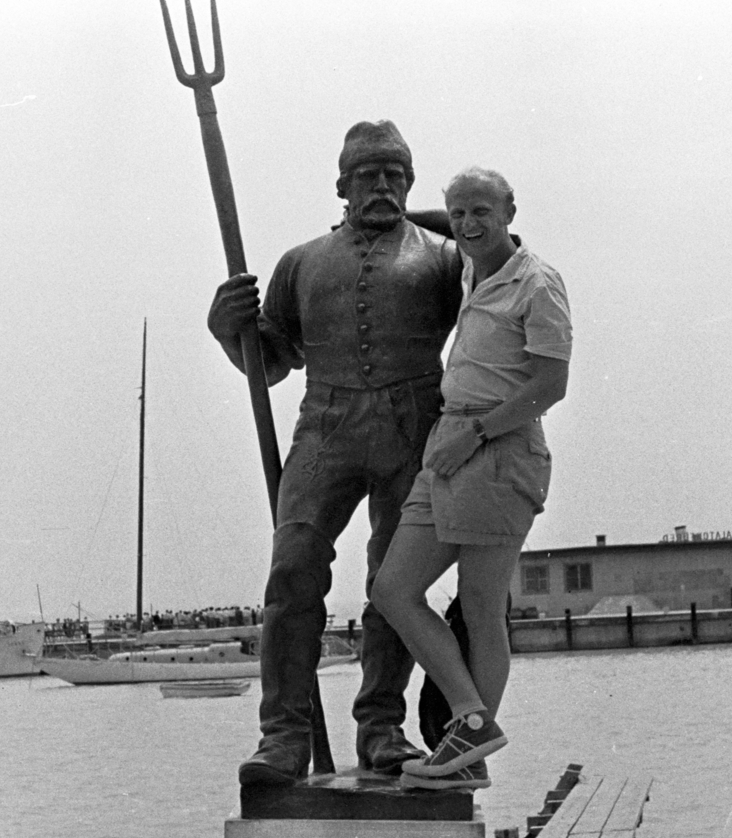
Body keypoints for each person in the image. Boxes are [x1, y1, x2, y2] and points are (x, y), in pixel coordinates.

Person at [207, 120, 463, 785]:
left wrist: (428, 217)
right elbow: (272, 365)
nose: (382, 184)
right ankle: (284, 735)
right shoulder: (301, 263)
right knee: (292, 570)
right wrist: (229, 331)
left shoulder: (442, 256)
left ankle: (381, 727)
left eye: (396, 174)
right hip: (326, 425)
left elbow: (503, 252)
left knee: (394, 581)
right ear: (341, 183)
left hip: (416, 426)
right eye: (368, 173)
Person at [371, 167, 571, 790]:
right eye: (458, 213)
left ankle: (468, 750)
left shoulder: (537, 284)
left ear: (512, 209)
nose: (468, 224)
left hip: (498, 448)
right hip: (449, 446)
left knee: (482, 608)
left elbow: (551, 385)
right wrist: (392, 220)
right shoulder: (469, 264)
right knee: (392, 589)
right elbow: (445, 226)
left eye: (482, 210)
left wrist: (479, 433)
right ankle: (471, 721)